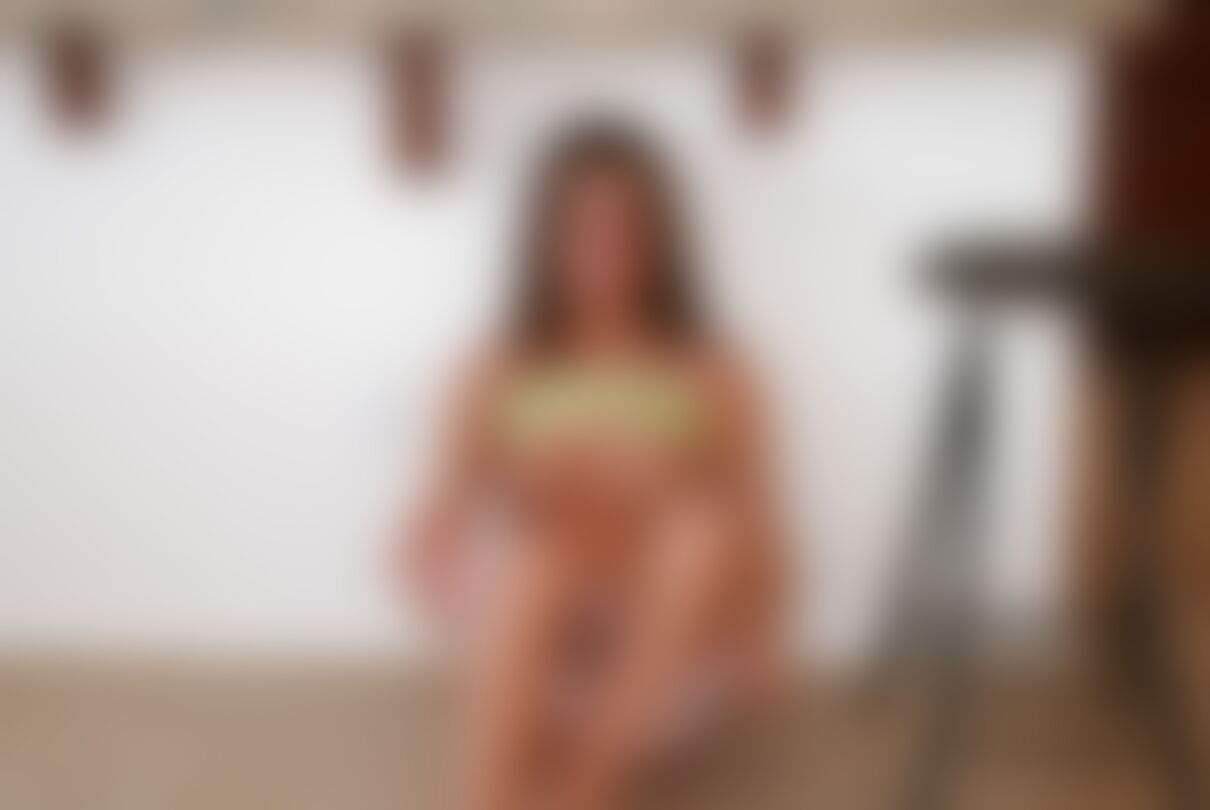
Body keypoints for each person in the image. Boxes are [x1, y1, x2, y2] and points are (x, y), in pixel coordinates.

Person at [402, 120, 790, 810]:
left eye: (630, 226)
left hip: (666, 664)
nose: (607, 248)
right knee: (542, 554)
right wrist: (515, 490)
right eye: (580, 227)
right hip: (540, 648)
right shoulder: (496, 367)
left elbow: (757, 520)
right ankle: (488, 791)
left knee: (699, 530)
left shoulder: (715, 369)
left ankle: (588, 789)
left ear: (665, 238)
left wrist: (759, 634)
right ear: (542, 238)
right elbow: (441, 517)